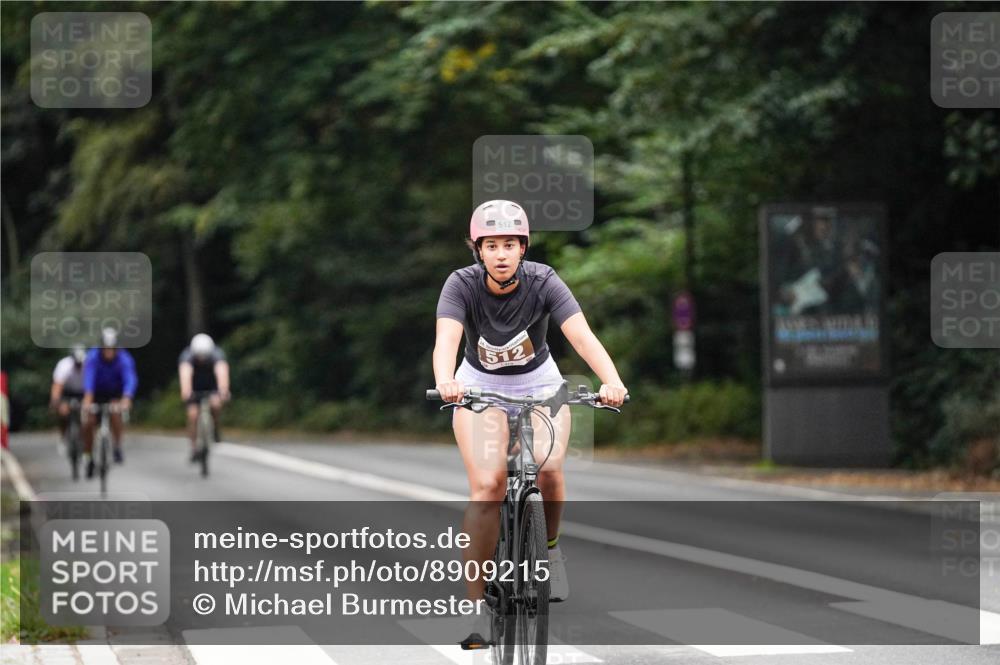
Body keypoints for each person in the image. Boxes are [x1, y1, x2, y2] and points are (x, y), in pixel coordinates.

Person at [433, 199, 627, 648]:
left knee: (550, 468)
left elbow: (580, 334)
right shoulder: (460, 284)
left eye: (510, 244)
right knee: (487, 487)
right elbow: (447, 338)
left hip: (540, 384)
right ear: (478, 250)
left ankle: (550, 551)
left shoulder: (544, 281)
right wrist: (446, 380)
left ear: (524, 248)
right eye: (491, 245)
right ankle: (476, 609)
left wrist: (611, 380)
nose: (501, 254)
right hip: (477, 387)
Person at [82, 327, 138, 477]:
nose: (109, 352)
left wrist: (127, 397)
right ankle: (88, 455)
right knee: (89, 422)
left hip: (114, 394)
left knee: (115, 413)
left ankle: (117, 445)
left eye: (111, 349)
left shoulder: (124, 358)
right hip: (95, 393)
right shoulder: (92, 357)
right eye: (106, 348)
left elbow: (129, 378)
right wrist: (88, 399)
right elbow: (89, 378)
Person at [178, 333, 230, 462]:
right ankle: (194, 447)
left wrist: (223, 390)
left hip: (211, 386)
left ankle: (216, 428)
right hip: (194, 388)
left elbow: (222, 372)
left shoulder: (217, 354)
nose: (202, 359)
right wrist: (186, 391)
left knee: (216, 405)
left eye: (204, 357)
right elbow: (185, 374)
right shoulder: (187, 356)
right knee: (193, 415)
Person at [49, 344, 87, 451]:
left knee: (87, 415)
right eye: (77, 363)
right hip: (67, 392)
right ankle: (63, 437)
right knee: (63, 412)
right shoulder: (64, 365)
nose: (79, 366)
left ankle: (84, 438)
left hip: (83, 392)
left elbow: (93, 385)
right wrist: (56, 401)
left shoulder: (88, 363)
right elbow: (57, 386)